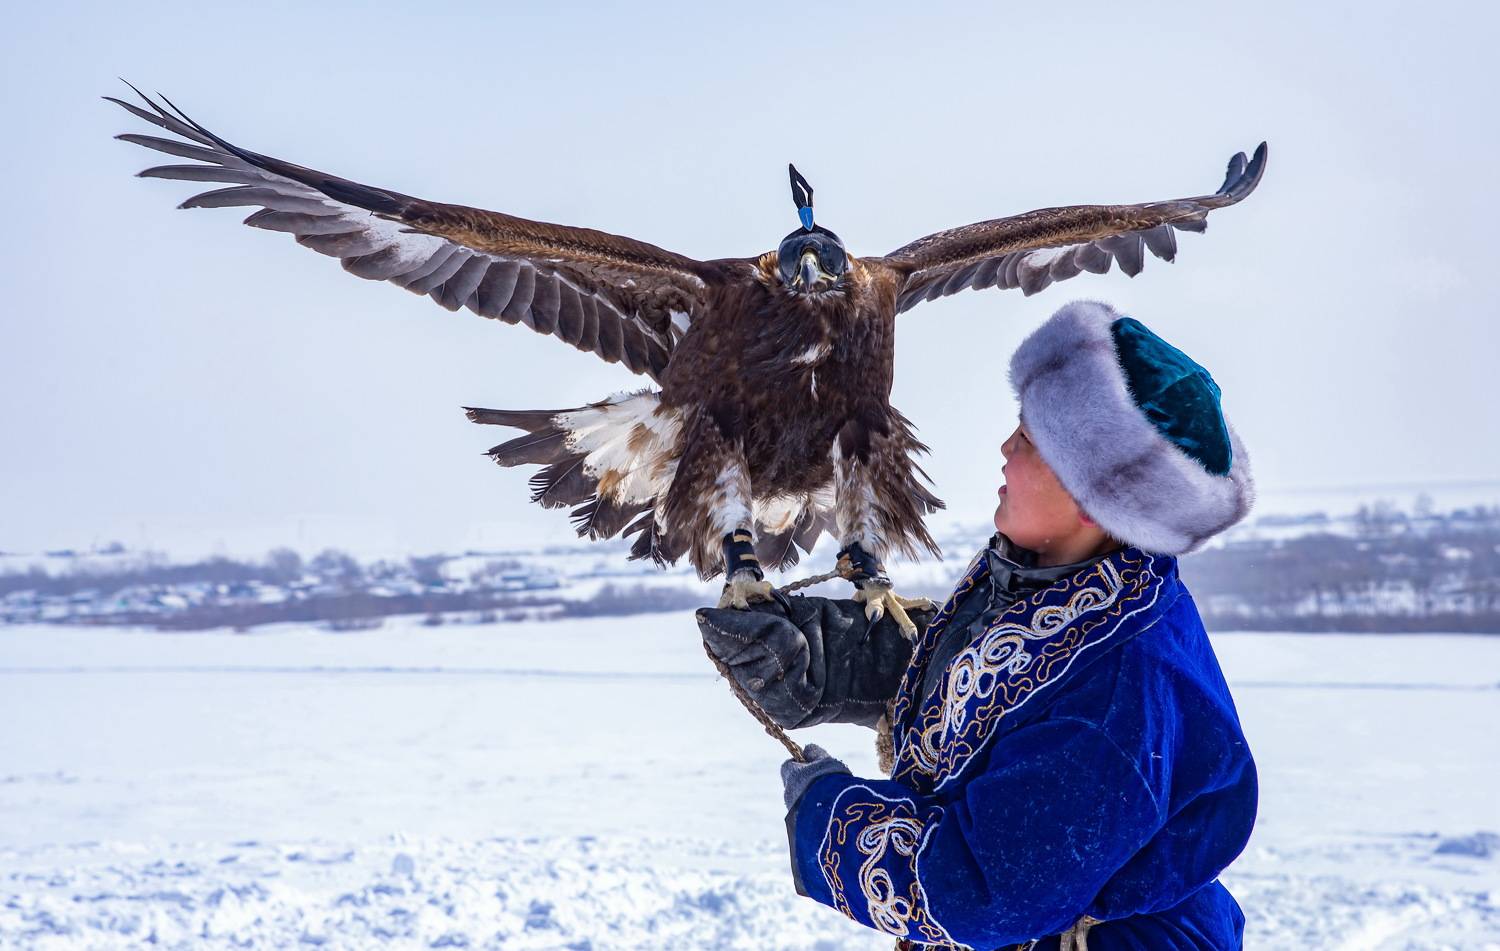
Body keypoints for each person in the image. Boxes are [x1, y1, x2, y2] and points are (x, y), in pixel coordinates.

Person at [698, 300, 1258, 950]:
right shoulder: (1063, 577)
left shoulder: (1119, 692)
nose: (1005, 447)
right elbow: (1008, 679)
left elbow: (984, 891)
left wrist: (831, 815)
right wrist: (839, 661)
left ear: (1091, 497)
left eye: (1031, 437)